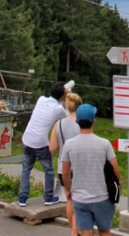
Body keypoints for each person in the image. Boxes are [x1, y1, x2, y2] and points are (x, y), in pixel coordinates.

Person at [60, 104, 120, 236]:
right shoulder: (104, 144)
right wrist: (115, 186)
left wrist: (68, 190)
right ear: (94, 121)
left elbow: (65, 172)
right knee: (104, 231)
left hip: (80, 198)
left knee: (86, 232)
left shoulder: (69, 144)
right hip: (102, 197)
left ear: (77, 122)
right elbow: (115, 170)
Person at [18, 81, 69, 207]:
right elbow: (69, 114)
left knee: (26, 169)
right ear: (62, 96)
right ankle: (48, 197)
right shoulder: (58, 109)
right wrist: (67, 96)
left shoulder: (41, 99)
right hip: (40, 143)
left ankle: (22, 198)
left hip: (27, 139)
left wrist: (63, 95)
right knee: (49, 170)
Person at [49, 93, 82, 235]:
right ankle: (75, 232)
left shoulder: (59, 124)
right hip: (79, 167)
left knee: (69, 199)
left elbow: (52, 148)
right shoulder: (81, 124)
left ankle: (72, 230)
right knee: (80, 201)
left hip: (63, 166)